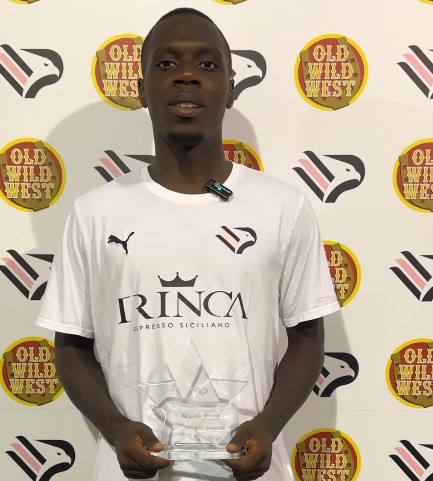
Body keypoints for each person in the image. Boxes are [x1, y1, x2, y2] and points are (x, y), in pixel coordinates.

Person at [36, 7, 340, 481]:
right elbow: (71, 346)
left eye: (207, 64)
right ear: (141, 89)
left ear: (231, 88)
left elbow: (307, 338)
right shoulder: (95, 213)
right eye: (166, 63)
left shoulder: (284, 207)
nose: (186, 76)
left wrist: (269, 424)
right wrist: (115, 428)